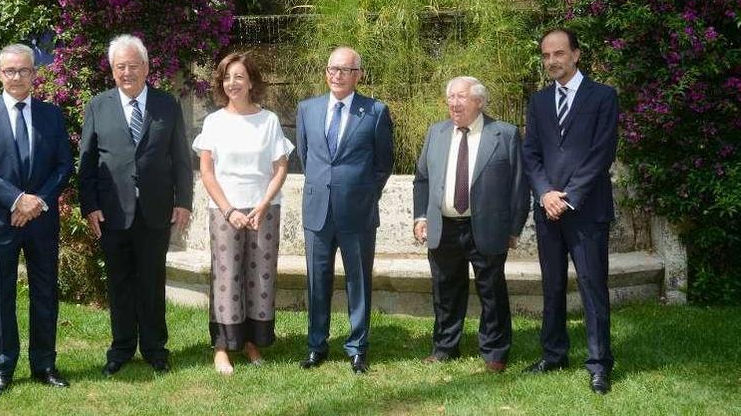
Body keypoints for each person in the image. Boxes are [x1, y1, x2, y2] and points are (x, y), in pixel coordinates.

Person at [78, 34, 193, 377]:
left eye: (133, 65)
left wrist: (183, 202)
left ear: (146, 67)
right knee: (119, 282)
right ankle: (122, 347)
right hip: (112, 212)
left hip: (156, 210)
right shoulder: (98, 106)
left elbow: (181, 160)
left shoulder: (166, 105)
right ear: (112, 71)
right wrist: (90, 206)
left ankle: (156, 348)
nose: (127, 72)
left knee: (152, 282)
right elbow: (86, 161)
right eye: (120, 67)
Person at [0, 43, 74, 397]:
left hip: (40, 220)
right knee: (0, 298)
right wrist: (16, 199)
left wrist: (36, 201)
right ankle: (2, 367)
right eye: (10, 71)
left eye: (24, 70)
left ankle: (44, 364)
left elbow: (63, 166)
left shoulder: (51, 115)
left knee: (44, 295)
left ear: (34, 74)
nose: (16, 77)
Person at [521, 27, 619, 394]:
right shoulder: (539, 101)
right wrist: (545, 193)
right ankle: (554, 353)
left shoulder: (603, 97)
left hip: (587, 209)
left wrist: (569, 195)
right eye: (546, 56)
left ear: (576, 55)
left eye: (559, 54)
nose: (552, 62)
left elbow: (602, 153)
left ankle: (598, 364)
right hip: (548, 210)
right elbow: (530, 152)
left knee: (593, 288)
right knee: (553, 286)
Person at [412, 76, 528, 373]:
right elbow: (422, 179)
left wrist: (514, 228)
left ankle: (494, 352)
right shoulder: (436, 133)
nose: (454, 102)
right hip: (444, 227)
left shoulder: (504, 134)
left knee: (492, 292)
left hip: (487, 227)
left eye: (460, 96)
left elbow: (519, 185)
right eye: (450, 97)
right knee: (445, 291)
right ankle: (445, 348)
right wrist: (421, 217)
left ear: (479, 101)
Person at [192, 52, 293, 375]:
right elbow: (207, 172)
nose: (232, 83)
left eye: (238, 77)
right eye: (226, 77)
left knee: (261, 278)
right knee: (226, 278)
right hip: (225, 210)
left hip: (265, 209)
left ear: (251, 82)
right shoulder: (214, 122)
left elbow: (280, 167)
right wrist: (229, 209)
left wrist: (263, 204)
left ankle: (251, 343)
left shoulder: (270, 120)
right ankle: (222, 347)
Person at [295, 46, 394, 374]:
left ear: (358, 75)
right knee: (316, 280)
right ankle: (316, 345)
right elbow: (307, 156)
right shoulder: (307, 109)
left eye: (345, 70)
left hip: (358, 213)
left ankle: (357, 347)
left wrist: (363, 194)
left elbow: (384, 163)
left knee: (359, 281)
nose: (336, 75)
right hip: (317, 211)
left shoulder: (376, 111)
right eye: (332, 69)